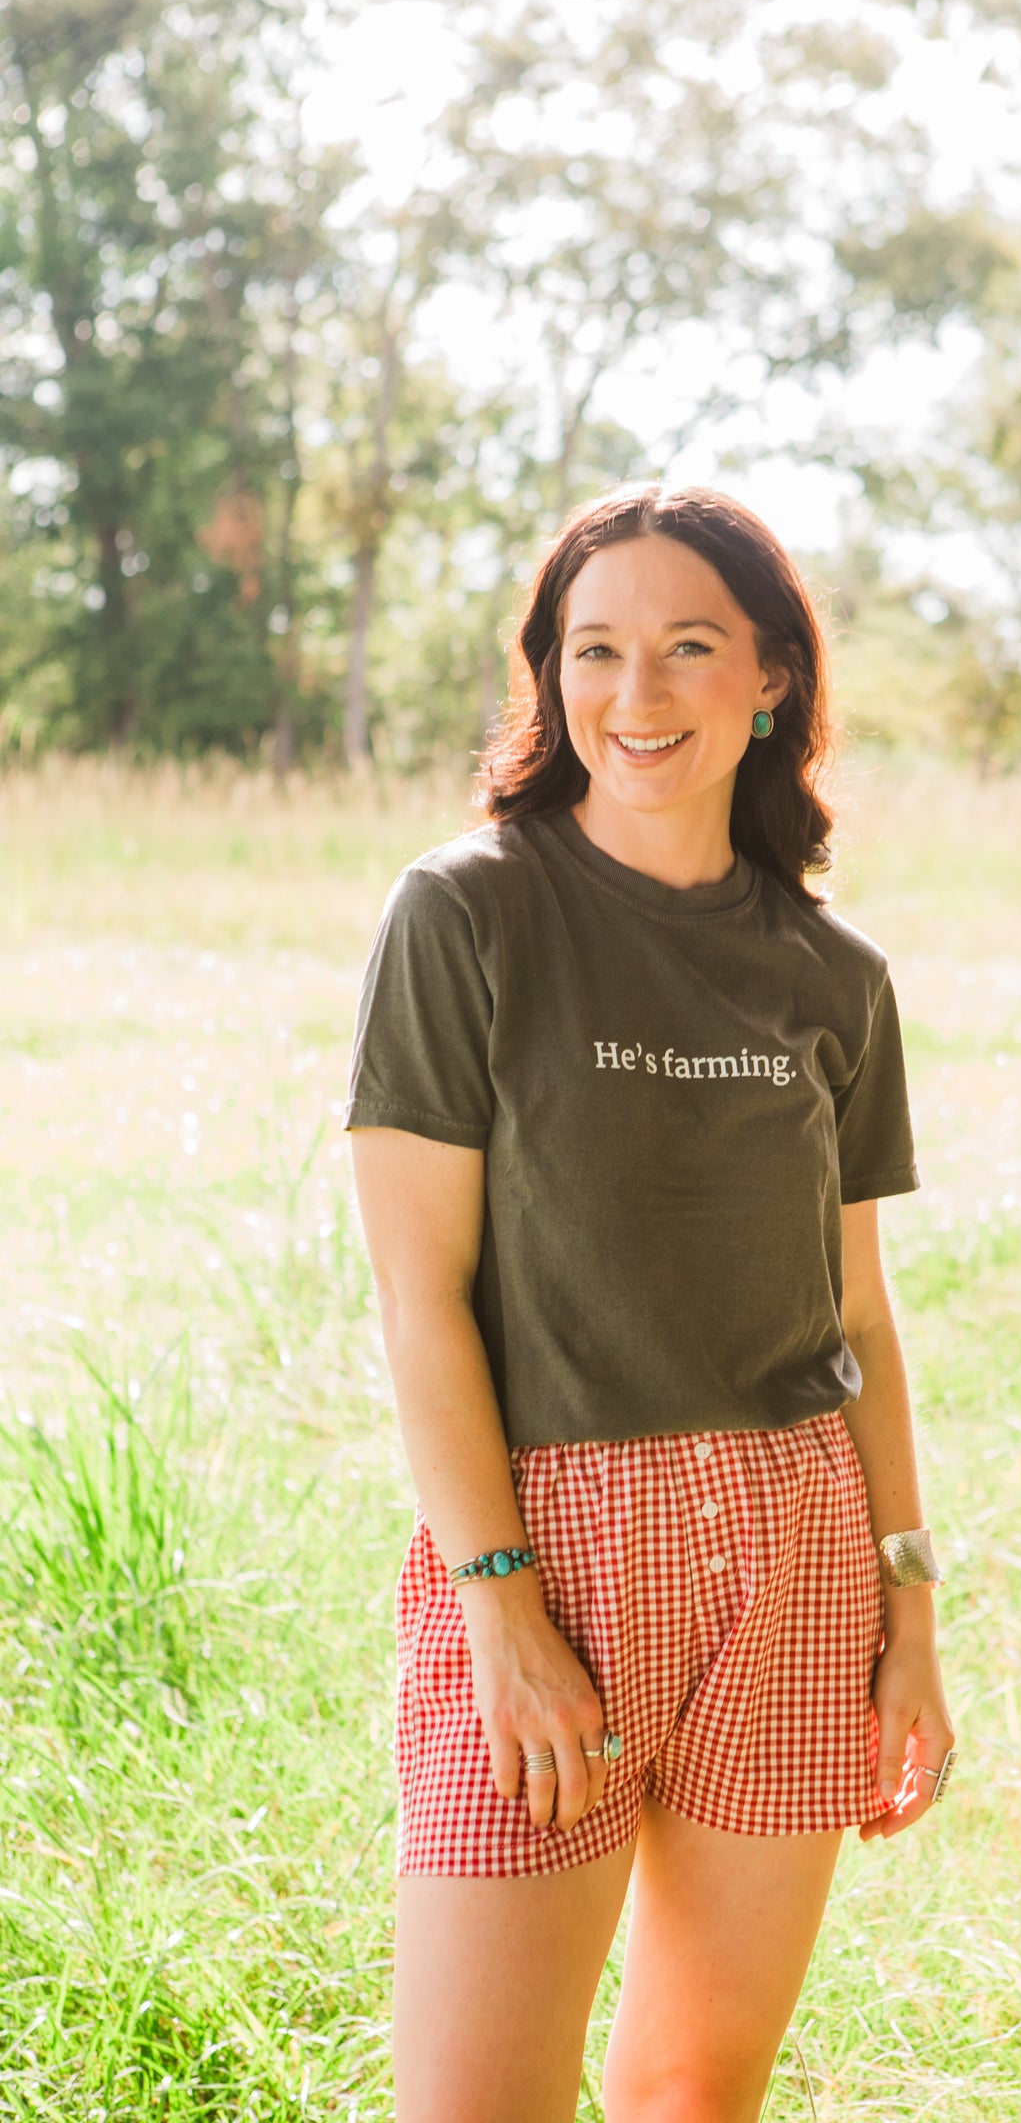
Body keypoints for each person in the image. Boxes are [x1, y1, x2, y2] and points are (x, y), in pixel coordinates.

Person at [345, 484, 955, 2123]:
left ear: (769, 680)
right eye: (594, 650)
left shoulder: (835, 975)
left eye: (688, 647)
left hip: (797, 1547)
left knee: (697, 2085)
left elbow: (860, 1319)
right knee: (474, 2101)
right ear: (549, 676)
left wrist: (908, 1612)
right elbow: (419, 1297)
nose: (636, 693)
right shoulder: (466, 912)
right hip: (549, 1541)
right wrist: (497, 1605)